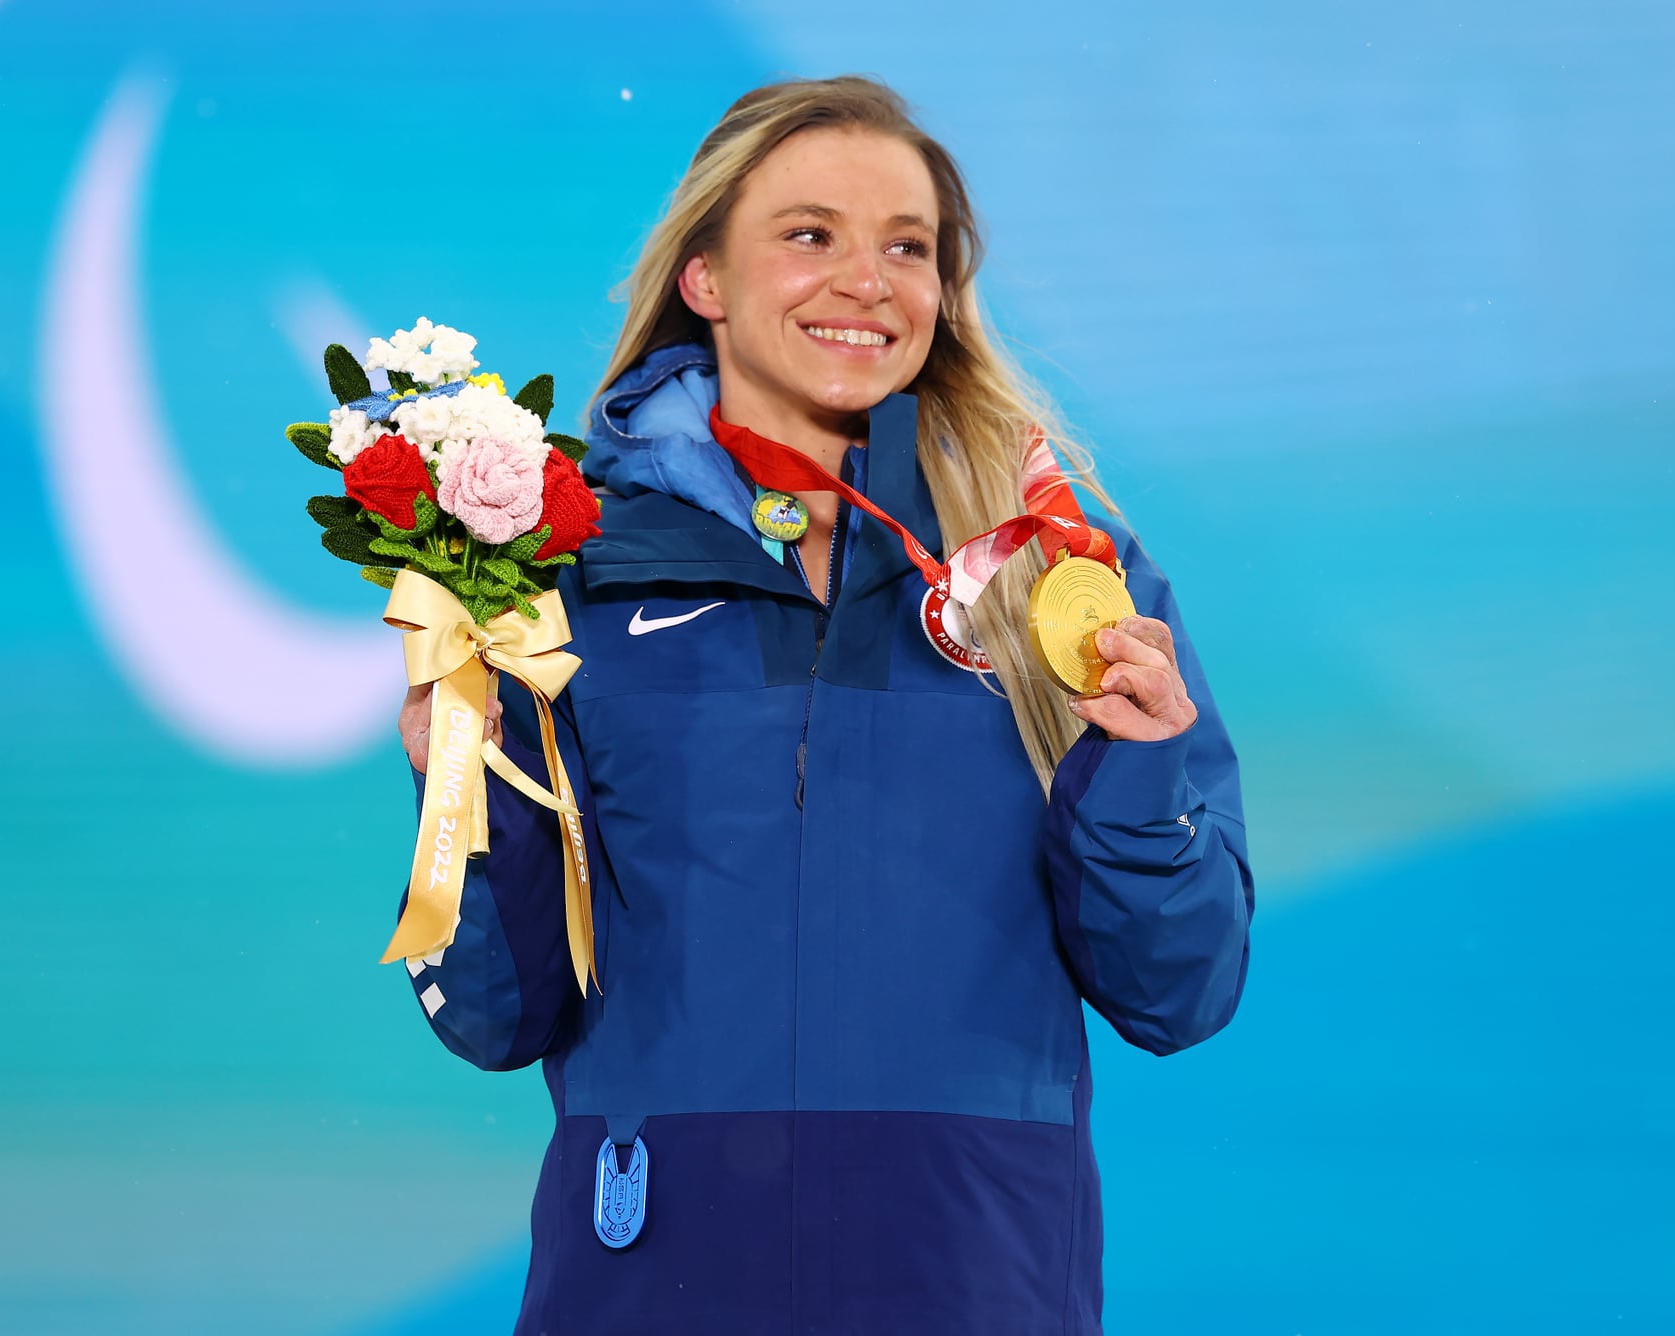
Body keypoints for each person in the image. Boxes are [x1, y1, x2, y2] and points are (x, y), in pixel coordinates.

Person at [395, 74, 1254, 1336]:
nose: (867, 280)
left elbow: (1178, 989)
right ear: (705, 280)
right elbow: (498, 1013)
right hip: (651, 1276)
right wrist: (455, 785)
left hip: (969, 1279)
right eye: (809, 236)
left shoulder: (1059, 577)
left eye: (907, 247)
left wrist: (1137, 768)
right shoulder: (557, 586)